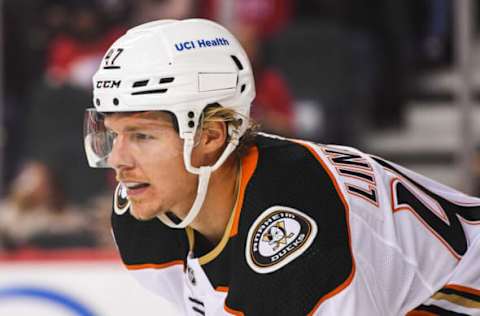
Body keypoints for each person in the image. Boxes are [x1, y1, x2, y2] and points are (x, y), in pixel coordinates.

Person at [84, 19, 480, 315]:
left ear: (210, 136)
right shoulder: (142, 214)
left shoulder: (298, 225)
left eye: (142, 136)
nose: (118, 160)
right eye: (114, 134)